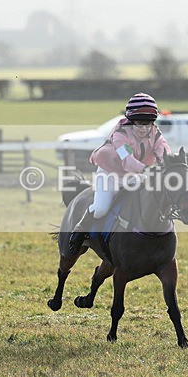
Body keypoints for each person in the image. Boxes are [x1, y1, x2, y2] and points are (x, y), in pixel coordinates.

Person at [66, 92, 171, 255]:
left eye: (148, 123)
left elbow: (164, 151)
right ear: (130, 120)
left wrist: (166, 165)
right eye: (140, 123)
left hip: (134, 175)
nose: (144, 128)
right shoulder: (119, 134)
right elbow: (127, 160)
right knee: (101, 208)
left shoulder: (155, 133)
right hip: (110, 175)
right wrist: (146, 170)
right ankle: (79, 231)